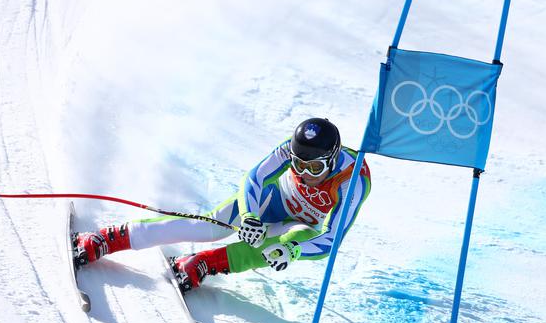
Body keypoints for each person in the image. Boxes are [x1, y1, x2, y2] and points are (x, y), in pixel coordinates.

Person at [74, 118, 371, 291]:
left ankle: (204, 263)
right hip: (274, 200)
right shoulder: (291, 148)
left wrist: (292, 251)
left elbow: (331, 240)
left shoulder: (352, 179)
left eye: (315, 170)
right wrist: (250, 215)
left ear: (331, 162)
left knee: (280, 246)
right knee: (209, 226)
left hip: (302, 225)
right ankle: (108, 238)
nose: (305, 176)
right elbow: (255, 178)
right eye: (298, 166)